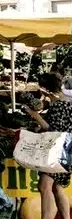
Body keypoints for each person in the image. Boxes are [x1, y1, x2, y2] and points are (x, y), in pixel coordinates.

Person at [25, 74, 72, 219]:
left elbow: (53, 131)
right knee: (57, 187)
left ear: (46, 89)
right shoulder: (68, 103)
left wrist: (35, 116)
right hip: (67, 151)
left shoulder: (59, 106)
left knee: (44, 186)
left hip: (57, 152)